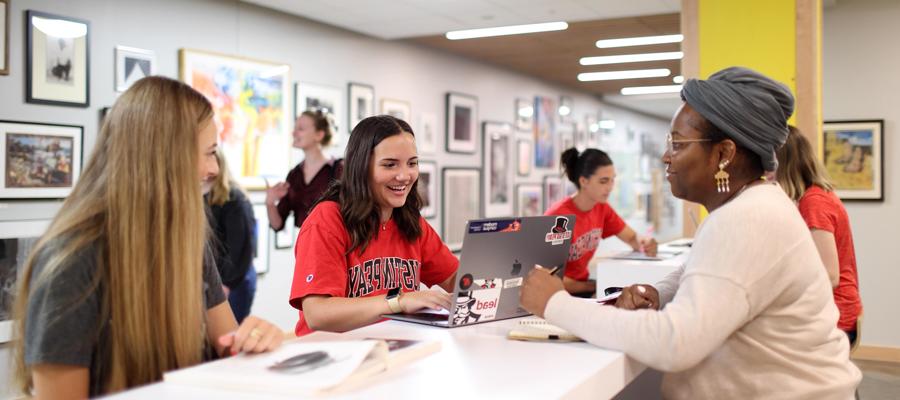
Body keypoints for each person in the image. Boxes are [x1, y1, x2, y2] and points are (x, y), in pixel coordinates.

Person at [520, 67, 861, 399]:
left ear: (724, 154)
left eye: (679, 144)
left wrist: (555, 304)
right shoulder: (752, 206)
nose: (667, 157)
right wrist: (659, 291)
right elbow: (704, 270)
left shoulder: (748, 218)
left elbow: (675, 342)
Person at [12, 77, 284, 398]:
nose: (213, 168)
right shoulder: (72, 260)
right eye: (209, 153)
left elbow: (226, 344)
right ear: (164, 157)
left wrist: (253, 341)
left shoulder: (188, 242)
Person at [289, 115, 458, 336]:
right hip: (332, 359)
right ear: (362, 167)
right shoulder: (327, 220)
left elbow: (457, 280)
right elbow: (318, 314)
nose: (404, 176)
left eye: (412, 163)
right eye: (390, 165)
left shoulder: (410, 222)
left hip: (394, 352)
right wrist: (400, 302)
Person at [776, 126, 862, 345]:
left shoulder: (813, 202)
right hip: (836, 311)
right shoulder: (815, 196)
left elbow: (829, 275)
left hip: (836, 316)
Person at [545, 148, 658, 296]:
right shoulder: (558, 217)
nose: (610, 187)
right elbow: (550, 278)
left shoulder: (601, 208)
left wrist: (645, 242)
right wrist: (596, 286)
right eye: (604, 181)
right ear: (583, 181)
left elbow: (631, 238)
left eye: (612, 180)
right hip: (560, 294)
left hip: (583, 287)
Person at [265, 110, 342, 232]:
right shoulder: (294, 175)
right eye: (294, 128)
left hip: (333, 244)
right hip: (303, 246)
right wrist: (270, 202)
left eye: (300, 128)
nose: (293, 133)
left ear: (319, 135)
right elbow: (277, 225)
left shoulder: (339, 170)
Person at [205, 151, 257, 324]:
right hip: (218, 280)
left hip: (235, 281)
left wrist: (226, 284)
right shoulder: (206, 196)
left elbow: (240, 249)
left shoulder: (234, 199)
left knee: (230, 340)